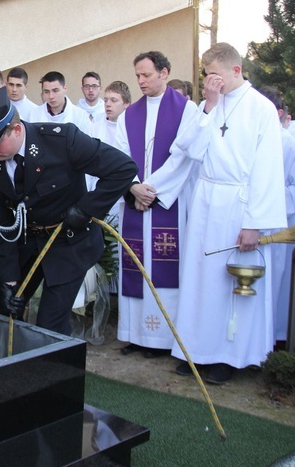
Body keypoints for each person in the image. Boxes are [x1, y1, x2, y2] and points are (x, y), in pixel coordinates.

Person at [0, 87, 137, 335]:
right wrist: (9, 279)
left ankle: (54, 373)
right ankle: (1, 370)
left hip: (70, 242)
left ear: (15, 129)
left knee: (49, 326)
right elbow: (0, 226)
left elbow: (122, 169)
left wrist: (85, 210)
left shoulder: (62, 140)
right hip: (27, 242)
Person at [170, 42, 287, 384]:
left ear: (236, 71)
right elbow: (189, 149)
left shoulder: (260, 109)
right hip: (206, 200)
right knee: (200, 280)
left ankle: (229, 356)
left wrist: (254, 224)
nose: (210, 82)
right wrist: (208, 107)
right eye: (206, 77)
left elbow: (266, 171)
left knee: (228, 282)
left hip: (238, 206)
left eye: (215, 76)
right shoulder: (206, 105)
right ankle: (197, 350)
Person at [113, 51, 199, 359]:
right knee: (136, 265)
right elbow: (120, 155)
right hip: (136, 202)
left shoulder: (187, 111)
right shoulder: (129, 115)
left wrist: (152, 190)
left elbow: (183, 157)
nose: (141, 81)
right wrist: (134, 187)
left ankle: (162, 340)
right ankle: (134, 334)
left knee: (164, 268)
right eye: (137, 75)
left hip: (168, 205)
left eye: (146, 75)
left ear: (164, 72)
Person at [258, 86, 295, 345]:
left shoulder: (290, 144)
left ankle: (275, 337)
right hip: (248, 221)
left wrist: (268, 199)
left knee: (274, 282)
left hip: (277, 224)